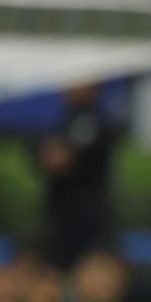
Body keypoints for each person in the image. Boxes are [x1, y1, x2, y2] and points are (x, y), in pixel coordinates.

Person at [36, 84, 117, 271]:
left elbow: (61, 160)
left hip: (86, 225)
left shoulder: (94, 120)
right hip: (59, 221)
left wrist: (55, 155)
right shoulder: (63, 118)